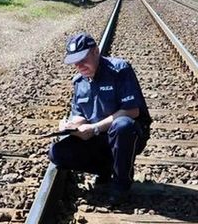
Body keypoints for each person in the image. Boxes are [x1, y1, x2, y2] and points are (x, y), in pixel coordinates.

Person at [48, 32, 152, 205]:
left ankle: (121, 184)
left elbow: (132, 111)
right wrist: (71, 125)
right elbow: (79, 113)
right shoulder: (79, 82)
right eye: (75, 61)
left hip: (127, 137)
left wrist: (95, 127)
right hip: (98, 138)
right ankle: (107, 168)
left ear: (96, 51)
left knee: (122, 126)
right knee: (56, 153)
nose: (79, 65)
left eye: (83, 59)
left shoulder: (120, 70)